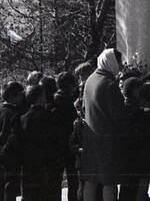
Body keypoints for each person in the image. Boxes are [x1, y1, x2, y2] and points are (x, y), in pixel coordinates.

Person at [81, 48, 128, 201]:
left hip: (90, 138)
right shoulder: (109, 84)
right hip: (108, 140)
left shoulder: (90, 80)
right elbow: (118, 115)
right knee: (110, 181)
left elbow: (83, 108)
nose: (120, 66)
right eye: (119, 62)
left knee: (91, 179)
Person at [0, 81, 26, 201]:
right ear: (13, 96)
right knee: (10, 189)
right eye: (21, 95)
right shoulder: (16, 114)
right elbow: (13, 137)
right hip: (11, 157)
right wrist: (2, 154)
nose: (22, 98)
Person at [21, 84, 58, 201]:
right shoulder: (49, 116)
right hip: (46, 162)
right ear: (41, 96)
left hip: (28, 162)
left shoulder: (23, 118)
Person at [52, 71, 81, 201]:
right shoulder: (68, 102)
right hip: (68, 143)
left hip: (57, 144)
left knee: (56, 179)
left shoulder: (53, 100)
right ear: (70, 85)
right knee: (73, 179)